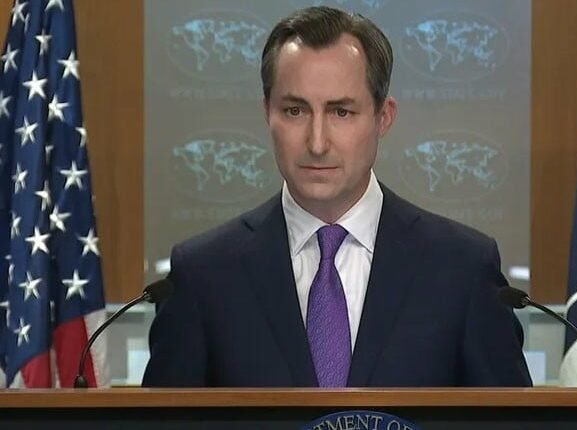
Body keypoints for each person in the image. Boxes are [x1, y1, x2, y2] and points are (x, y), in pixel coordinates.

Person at [142, 6, 532, 387]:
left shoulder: (462, 268)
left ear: (383, 117)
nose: (317, 143)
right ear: (267, 113)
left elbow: (510, 418)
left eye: (341, 112)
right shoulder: (204, 275)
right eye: (294, 111)